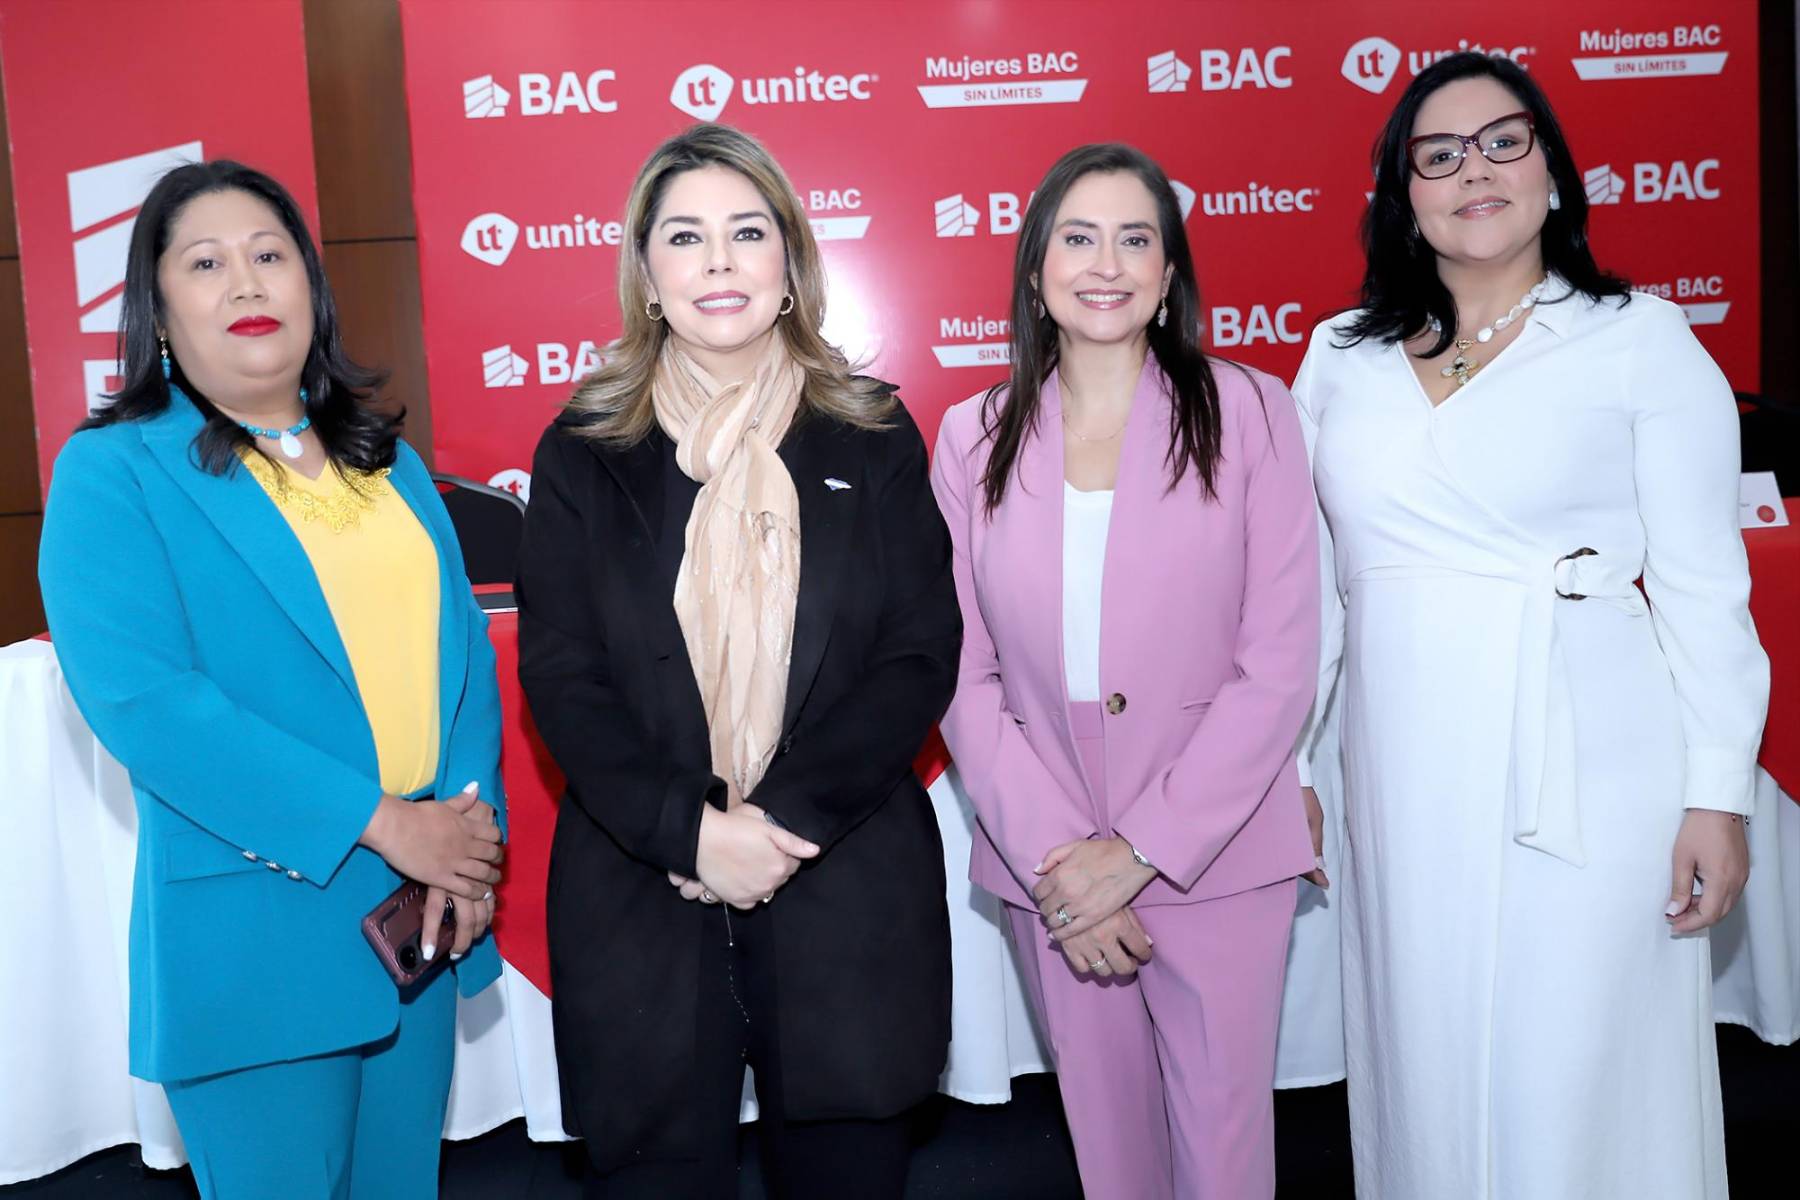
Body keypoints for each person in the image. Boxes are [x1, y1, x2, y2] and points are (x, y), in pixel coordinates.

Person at [1292, 52, 1768, 1198]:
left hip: (1594, 762)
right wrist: (1291, 763)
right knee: (1423, 1048)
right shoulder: (1338, 357)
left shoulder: (1640, 339)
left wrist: (1718, 792)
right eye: (1439, 155)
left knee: (1577, 1061)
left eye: (1505, 142)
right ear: (1403, 194)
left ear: (1553, 170)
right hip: (1399, 770)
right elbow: (1308, 590)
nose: (1476, 172)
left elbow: (1707, 584)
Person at [37, 161, 507, 1199]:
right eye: (206, 264)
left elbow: (464, 662)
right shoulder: (114, 471)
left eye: (269, 256)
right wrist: (385, 822)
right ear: (158, 314)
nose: (246, 284)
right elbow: (150, 708)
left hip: (412, 928)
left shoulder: (389, 465)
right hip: (255, 944)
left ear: (310, 289)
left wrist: (464, 857)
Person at [515, 123, 961, 1200]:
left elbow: (916, 655)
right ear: (649, 277)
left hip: (843, 887)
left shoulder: (874, 434)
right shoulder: (581, 449)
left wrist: (774, 827)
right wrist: (692, 835)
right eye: (686, 237)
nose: (718, 261)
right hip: (644, 900)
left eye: (746, 232)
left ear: (790, 266)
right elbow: (564, 675)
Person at [931, 143, 1321, 1199]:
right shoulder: (972, 437)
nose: (1107, 263)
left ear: (1168, 274)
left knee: (1226, 1149)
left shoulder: (1252, 411)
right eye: (1079, 236)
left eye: (1135, 238)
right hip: (1046, 859)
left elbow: (1280, 662)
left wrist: (1141, 850)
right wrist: (1072, 862)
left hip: (1217, 841)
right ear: (1035, 270)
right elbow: (961, 678)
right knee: (1111, 1157)